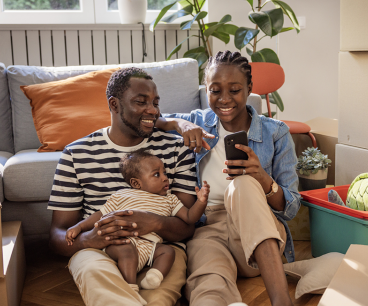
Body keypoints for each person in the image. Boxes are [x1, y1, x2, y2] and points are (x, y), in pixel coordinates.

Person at [156, 50, 301, 306]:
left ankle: (282, 302)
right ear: (206, 89)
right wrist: (181, 125)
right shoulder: (197, 121)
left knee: (243, 183)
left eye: (234, 90)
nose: (224, 99)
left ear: (249, 89)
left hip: (258, 238)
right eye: (215, 90)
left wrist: (262, 178)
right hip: (208, 229)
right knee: (208, 287)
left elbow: (291, 208)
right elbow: (156, 119)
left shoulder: (275, 133)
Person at [48, 67, 198, 306]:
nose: (153, 110)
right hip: (99, 252)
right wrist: (88, 240)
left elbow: (188, 226)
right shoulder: (76, 154)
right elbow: (58, 235)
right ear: (115, 104)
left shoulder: (176, 148)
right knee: (105, 288)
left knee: (157, 299)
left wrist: (155, 222)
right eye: (141, 102)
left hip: (161, 251)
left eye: (155, 102)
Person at [65, 148, 210, 304]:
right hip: (123, 242)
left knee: (167, 252)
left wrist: (201, 202)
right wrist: (79, 227)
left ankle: (155, 276)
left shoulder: (170, 200)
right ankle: (130, 286)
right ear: (136, 183)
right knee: (127, 251)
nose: (165, 178)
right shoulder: (122, 195)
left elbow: (189, 218)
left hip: (150, 246)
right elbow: (99, 214)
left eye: (164, 173)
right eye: (157, 174)